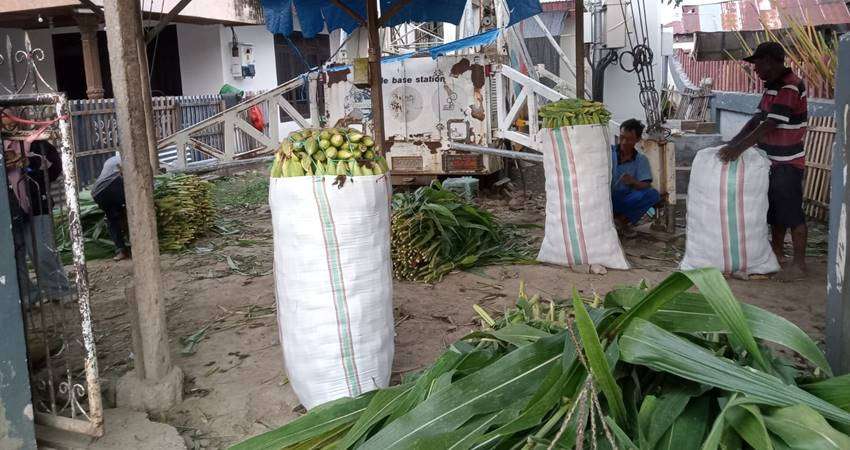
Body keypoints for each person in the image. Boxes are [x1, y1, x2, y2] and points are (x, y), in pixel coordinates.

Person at [717, 42, 808, 281]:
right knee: (776, 211)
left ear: (770, 60)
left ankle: (799, 263)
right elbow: (757, 118)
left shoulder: (790, 86)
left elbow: (770, 124)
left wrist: (738, 149)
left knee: (792, 213)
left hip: (788, 161)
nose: (755, 70)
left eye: (757, 64)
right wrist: (732, 143)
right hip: (771, 161)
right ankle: (776, 254)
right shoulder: (772, 87)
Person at [5, 137, 72, 304]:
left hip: (35, 206)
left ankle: (59, 290)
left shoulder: (36, 143)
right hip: (6, 212)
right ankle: (27, 297)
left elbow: (54, 169)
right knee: (13, 258)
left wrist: (29, 162)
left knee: (42, 251)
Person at [611, 119, 661, 237]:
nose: (623, 142)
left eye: (628, 139)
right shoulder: (608, 152)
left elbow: (646, 185)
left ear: (637, 140)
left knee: (653, 194)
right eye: (621, 137)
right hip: (606, 197)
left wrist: (633, 181)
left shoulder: (640, 159)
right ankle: (616, 222)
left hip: (623, 200)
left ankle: (621, 222)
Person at [91, 154, 130, 261]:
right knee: (131, 213)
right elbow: (125, 174)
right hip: (113, 185)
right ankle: (138, 245)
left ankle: (121, 250)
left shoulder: (110, 160)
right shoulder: (129, 158)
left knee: (112, 219)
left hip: (97, 192)